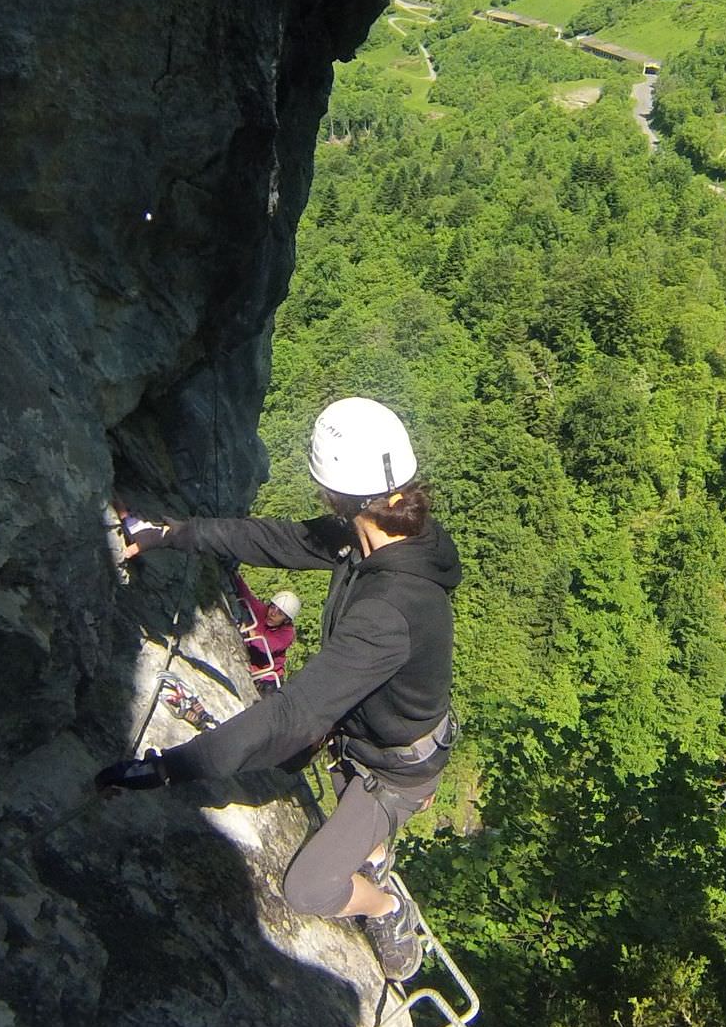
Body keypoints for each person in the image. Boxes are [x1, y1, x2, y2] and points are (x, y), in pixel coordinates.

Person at [100, 397, 462, 982]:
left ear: (336, 496)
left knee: (309, 887)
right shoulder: (386, 534)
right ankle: (372, 851)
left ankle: (390, 907)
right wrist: (169, 533)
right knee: (346, 817)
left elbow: (293, 716)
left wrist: (171, 769)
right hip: (362, 733)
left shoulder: (392, 607)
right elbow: (277, 541)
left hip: (392, 773)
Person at [234, 577, 298, 689]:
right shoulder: (263, 612)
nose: (273, 613)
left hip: (268, 679)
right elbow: (248, 598)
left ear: (286, 620)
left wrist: (251, 633)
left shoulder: (287, 633)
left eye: (280, 613)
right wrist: (235, 576)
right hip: (251, 667)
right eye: (273, 607)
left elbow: (268, 646)